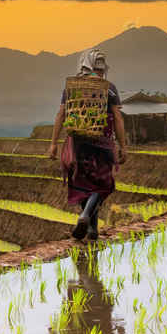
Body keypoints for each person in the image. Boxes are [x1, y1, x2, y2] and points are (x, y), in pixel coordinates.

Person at [46, 49, 128, 241]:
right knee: (102, 182)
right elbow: (117, 116)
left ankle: (92, 229)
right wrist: (123, 145)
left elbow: (61, 114)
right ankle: (85, 218)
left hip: (78, 143)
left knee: (83, 182)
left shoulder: (72, 88)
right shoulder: (109, 88)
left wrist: (53, 144)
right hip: (103, 141)